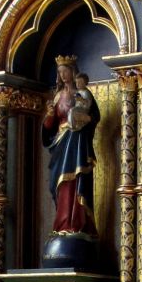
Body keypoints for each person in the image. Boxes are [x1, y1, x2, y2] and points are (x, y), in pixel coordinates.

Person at [41, 54, 100, 242]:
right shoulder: (58, 96)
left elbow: (93, 117)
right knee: (57, 183)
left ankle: (78, 224)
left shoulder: (83, 95)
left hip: (78, 142)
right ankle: (62, 224)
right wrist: (49, 115)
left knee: (76, 180)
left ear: (73, 72)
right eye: (60, 72)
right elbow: (50, 126)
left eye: (66, 70)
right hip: (61, 142)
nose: (63, 74)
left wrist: (83, 119)